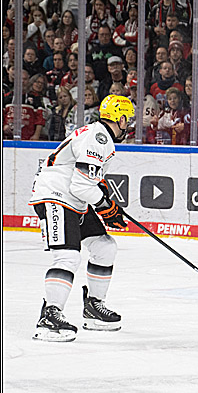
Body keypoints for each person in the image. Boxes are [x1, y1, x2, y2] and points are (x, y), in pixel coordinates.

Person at [27, 94, 135, 342]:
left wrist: (106, 201)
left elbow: (88, 180)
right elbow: (81, 186)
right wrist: (106, 207)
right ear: (118, 118)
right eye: (127, 120)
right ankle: (50, 314)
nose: (128, 125)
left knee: (104, 246)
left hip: (72, 199)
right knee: (67, 255)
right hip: (55, 197)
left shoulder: (100, 136)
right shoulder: (98, 138)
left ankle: (94, 307)